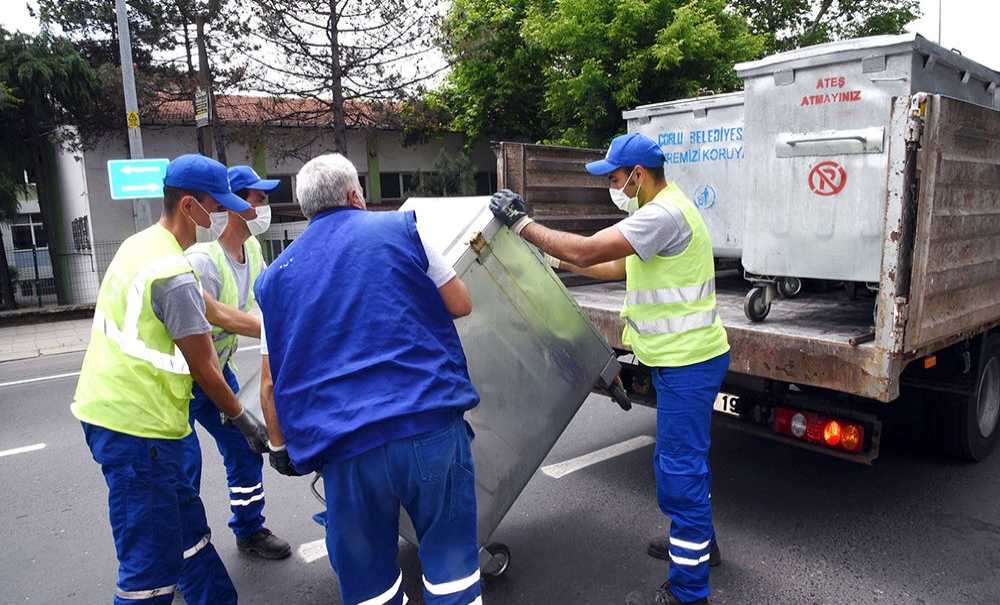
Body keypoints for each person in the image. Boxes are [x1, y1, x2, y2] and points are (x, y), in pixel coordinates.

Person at [489, 133, 730, 605]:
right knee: (680, 464)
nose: (613, 186)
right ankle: (700, 546)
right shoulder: (656, 212)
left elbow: (589, 251)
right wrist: (550, 259)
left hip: (689, 362)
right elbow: (616, 267)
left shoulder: (663, 214)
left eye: (616, 178)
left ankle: (688, 592)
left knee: (680, 472)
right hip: (681, 360)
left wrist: (522, 225)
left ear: (639, 175)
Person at [255, 153, 483, 605]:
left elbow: (268, 385)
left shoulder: (274, 279)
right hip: (428, 425)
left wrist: (280, 449)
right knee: (452, 570)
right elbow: (460, 303)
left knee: (370, 587)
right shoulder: (401, 230)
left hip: (345, 448)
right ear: (355, 195)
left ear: (305, 210)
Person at [72, 154, 270, 604]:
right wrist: (245, 421)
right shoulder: (172, 274)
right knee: (151, 571)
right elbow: (206, 367)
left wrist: (274, 327)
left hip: (135, 420)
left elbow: (214, 310)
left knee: (187, 532)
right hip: (136, 429)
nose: (222, 213)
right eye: (215, 205)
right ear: (188, 207)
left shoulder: (146, 245)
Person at [180, 165, 291, 559]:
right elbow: (218, 316)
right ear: (234, 203)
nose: (264, 206)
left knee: (246, 446)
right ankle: (183, 552)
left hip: (216, 368)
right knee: (183, 467)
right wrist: (276, 331)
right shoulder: (203, 259)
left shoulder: (254, 249)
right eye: (258, 199)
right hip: (181, 377)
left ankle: (250, 529)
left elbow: (265, 300)